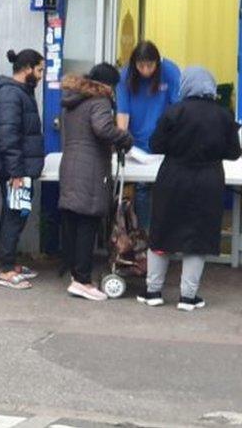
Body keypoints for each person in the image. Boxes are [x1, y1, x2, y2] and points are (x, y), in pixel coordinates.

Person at [137, 67, 241, 311]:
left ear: (186, 85)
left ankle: (153, 291)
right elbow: (234, 153)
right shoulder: (224, 115)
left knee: (162, 231)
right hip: (208, 180)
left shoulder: (174, 111)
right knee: (198, 237)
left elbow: (155, 144)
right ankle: (188, 297)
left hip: (173, 178)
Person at [58, 63, 132, 301]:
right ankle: (82, 281)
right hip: (89, 170)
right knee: (87, 225)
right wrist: (123, 137)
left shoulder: (74, 101)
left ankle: (75, 276)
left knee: (74, 223)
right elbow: (102, 129)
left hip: (70, 166)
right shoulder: (99, 100)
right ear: (108, 85)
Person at [0, 49, 45, 290]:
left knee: (17, 212)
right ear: (27, 68)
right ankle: (6, 270)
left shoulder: (20, 92)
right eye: (39, 70)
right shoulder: (10, 94)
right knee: (13, 213)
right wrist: (16, 172)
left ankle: (9, 262)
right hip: (13, 168)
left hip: (16, 166)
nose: (40, 75)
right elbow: (7, 136)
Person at [116, 41, 180, 231]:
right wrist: (123, 142)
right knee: (142, 189)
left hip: (164, 141)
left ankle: (165, 233)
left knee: (167, 188)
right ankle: (145, 234)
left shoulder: (170, 71)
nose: (145, 70)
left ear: (157, 63)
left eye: (150, 65)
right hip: (137, 145)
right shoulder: (126, 75)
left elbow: (177, 108)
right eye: (140, 65)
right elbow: (123, 112)